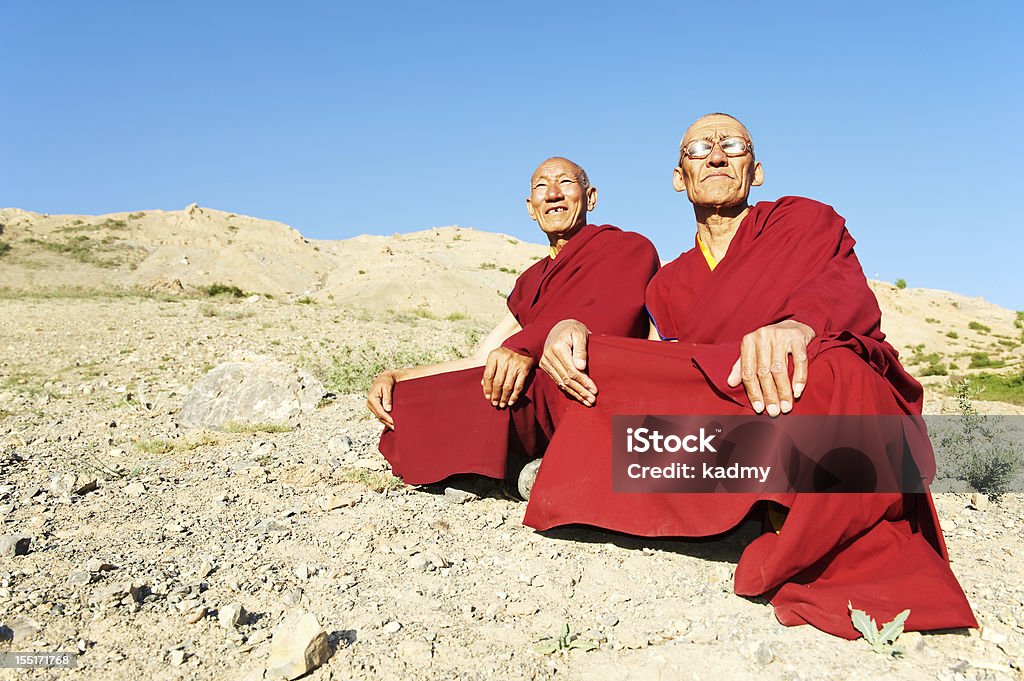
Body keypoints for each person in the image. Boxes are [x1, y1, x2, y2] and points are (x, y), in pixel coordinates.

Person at [529, 114, 977, 639]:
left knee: (843, 366)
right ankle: (731, 491)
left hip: (794, 389)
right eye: (699, 149)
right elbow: (667, 363)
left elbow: (848, 294)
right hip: (730, 403)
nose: (716, 156)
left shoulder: (803, 222)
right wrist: (568, 326)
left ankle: (789, 517)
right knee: (595, 361)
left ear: (756, 169)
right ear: (680, 177)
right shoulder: (669, 283)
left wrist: (797, 324)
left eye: (732, 145)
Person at [370, 157, 659, 487]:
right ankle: (524, 467)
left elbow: (611, 318)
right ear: (530, 207)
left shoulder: (627, 248)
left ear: (590, 197)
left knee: (505, 388)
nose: (552, 194)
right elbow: (483, 357)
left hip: (590, 392)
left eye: (565, 183)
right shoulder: (531, 280)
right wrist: (397, 376)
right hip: (534, 395)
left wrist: (527, 346)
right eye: (541, 186)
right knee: (412, 398)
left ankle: (521, 467)